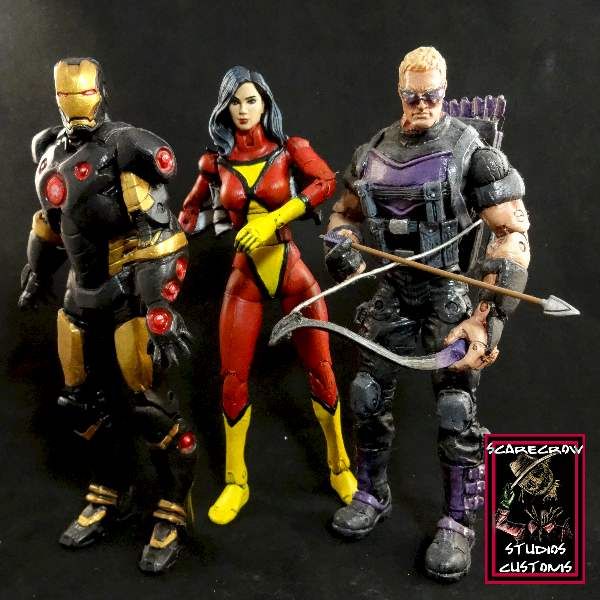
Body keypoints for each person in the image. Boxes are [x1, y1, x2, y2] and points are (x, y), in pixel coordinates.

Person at [325, 46, 530, 581]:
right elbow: (344, 213)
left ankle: (459, 520)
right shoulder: (372, 152)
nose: (421, 105)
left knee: (456, 409)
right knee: (366, 394)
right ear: (400, 93)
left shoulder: (472, 152)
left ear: (444, 91)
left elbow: (512, 234)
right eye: (412, 96)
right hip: (392, 292)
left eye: (431, 96)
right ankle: (371, 493)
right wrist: (341, 244)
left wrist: (488, 318)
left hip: (449, 297)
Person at [19, 57, 197, 573]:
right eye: (65, 95)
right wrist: (36, 271)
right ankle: (106, 493)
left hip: (129, 288)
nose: (74, 104)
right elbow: (51, 222)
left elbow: (160, 234)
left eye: (83, 93)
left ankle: (172, 507)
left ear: (101, 92)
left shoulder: (126, 147)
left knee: (148, 405)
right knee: (79, 403)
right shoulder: (47, 149)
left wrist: (159, 303)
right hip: (81, 290)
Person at [179, 66, 356, 525]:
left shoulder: (289, 149)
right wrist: (166, 228)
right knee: (232, 379)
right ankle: (235, 481)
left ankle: (340, 464)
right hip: (245, 277)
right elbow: (187, 216)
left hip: (291, 269)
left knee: (321, 370)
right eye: (235, 102)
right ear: (224, 107)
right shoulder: (214, 163)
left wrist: (273, 219)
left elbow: (325, 182)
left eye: (251, 100)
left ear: (265, 104)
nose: (243, 110)